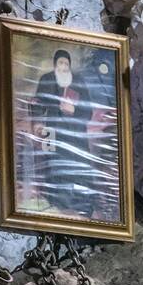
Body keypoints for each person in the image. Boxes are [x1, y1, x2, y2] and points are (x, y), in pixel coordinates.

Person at [28, 47, 93, 217]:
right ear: (55, 64)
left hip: (76, 134)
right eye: (60, 62)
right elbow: (37, 104)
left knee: (77, 168)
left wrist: (73, 110)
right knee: (52, 164)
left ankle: (80, 203)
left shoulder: (78, 81)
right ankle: (56, 202)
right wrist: (36, 122)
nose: (63, 66)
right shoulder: (46, 79)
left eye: (66, 63)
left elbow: (88, 111)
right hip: (51, 130)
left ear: (70, 65)